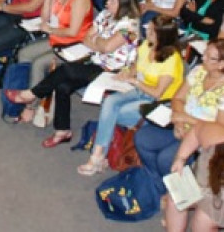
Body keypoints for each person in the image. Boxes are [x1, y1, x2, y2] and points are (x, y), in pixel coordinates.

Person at [4, 0, 141, 147]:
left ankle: (32, 94)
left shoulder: (130, 26)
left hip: (113, 71)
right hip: (95, 60)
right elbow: (87, 38)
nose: (106, 2)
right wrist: (98, 43)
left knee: (66, 70)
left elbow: (107, 47)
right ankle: (63, 131)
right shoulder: (105, 15)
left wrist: (97, 42)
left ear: (123, 4)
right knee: (63, 86)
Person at [135, 39, 224, 198]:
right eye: (205, 53)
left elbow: (221, 130)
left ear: (222, 64)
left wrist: (187, 120)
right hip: (180, 126)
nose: (203, 58)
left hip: (203, 139)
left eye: (209, 57)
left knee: (166, 159)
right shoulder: (199, 71)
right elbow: (177, 99)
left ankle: (180, 195)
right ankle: (159, 182)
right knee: (142, 138)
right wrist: (179, 123)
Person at [78, 16, 185, 175]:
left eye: (151, 31)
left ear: (162, 36)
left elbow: (158, 92)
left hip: (157, 101)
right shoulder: (147, 46)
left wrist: (134, 81)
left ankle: (98, 155)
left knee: (114, 114)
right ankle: (97, 156)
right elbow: (137, 65)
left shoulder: (171, 60)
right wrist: (128, 72)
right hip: (140, 90)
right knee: (109, 102)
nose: (146, 31)